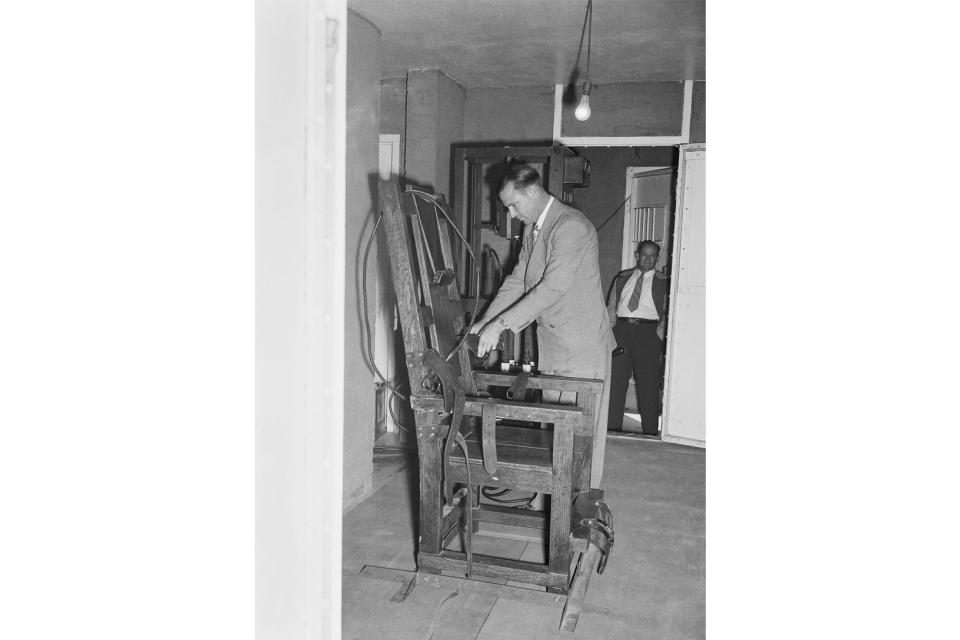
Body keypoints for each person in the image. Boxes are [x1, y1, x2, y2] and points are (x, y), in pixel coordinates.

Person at [471, 164, 616, 488]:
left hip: (581, 346)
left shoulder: (571, 226)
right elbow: (518, 281)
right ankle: (553, 499)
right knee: (555, 430)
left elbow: (552, 288)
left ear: (533, 192)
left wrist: (502, 325)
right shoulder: (534, 229)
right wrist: (485, 323)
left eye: (513, 205)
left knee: (582, 436)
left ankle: (580, 507)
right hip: (552, 344)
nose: (510, 213)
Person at [606, 240, 669, 436]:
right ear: (637, 255)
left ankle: (650, 432)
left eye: (652, 256)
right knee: (616, 382)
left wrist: (659, 334)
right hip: (622, 331)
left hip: (648, 334)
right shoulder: (622, 278)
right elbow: (611, 308)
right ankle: (612, 429)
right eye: (644, 254)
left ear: (658, 258)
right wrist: (609, 336)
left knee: (648, 384)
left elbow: (668, 312)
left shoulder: (664, 282)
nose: (648, 259)